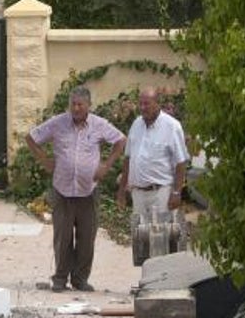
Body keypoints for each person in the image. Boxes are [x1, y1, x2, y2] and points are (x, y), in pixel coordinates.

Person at [26, 86, 126, 292]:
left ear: (89, 105)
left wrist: (106, 166)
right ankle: (60, 278)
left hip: (88, 191)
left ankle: (80, 279)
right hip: (62, 189)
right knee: (62, 237)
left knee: (86, 238)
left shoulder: (99, 125)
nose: (76, 108)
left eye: (80, 104)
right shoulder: (57, 123)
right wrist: (44, 160)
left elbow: (120, 140)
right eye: (73, 104)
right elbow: (31, 138)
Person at [117, 87, 190, 224]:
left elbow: (180, 162)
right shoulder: (136, 124)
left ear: (157, 104)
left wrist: (176, 193)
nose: (143, 108)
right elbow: (128, 158)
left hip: (161, 194)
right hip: (138, 194)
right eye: (141, 104)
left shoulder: (172, 126)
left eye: (147, 103)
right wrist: (121, 189)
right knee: (139, 241)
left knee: (159, 241)